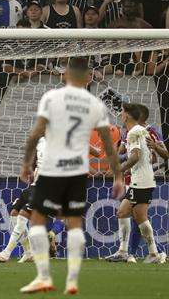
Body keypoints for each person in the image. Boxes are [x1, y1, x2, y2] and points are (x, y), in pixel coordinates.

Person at [18, 57, 122, 294]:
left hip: (52, 168)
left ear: (65, 75)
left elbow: (35, 135)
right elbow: (108, 145)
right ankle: (72, 281)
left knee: (36, 219)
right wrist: (117, 176)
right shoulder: (95, 105)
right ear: (88, 78)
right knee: (74, 223)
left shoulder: (52, 98)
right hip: (77, 171)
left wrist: (26, 163)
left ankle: (44, 276)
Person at [106, 104, 167, 264]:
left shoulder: (134, 132)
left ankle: (128, 252)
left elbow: (135, 156)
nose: (121, 115)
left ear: (127, 116)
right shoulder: (140, 131)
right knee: (139, 217)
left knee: (126, 213)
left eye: (123, 113)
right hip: (143, 179)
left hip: (140, 181)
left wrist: (118, 170)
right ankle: (153, 254)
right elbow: (147, 157)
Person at [0, 137, 46, 263]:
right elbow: (35, 159)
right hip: (34, 186)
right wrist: (31, 170)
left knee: (23, 214)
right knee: (14, 212)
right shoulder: (41, 140)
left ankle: (6, 253)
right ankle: (29, 252)